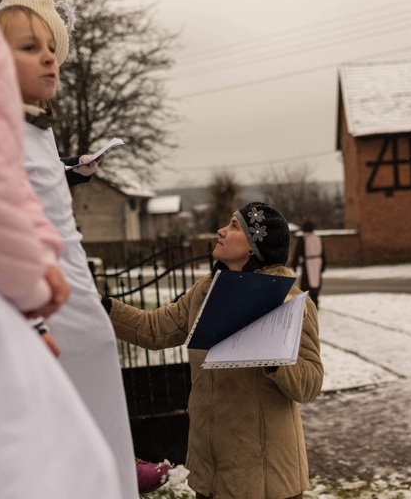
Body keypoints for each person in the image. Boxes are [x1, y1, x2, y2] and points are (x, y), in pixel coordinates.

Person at [0, 0, 125, 499]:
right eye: (29, 47)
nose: (50, 59)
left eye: (52, 49)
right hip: (45, 307)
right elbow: (3, 213)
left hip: (72, 297)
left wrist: (72, 171)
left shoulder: (35, 126)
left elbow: (36, 197)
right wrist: (35, 315)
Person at [100, 201, 324, 499]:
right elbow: (153, 329)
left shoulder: (288, 302)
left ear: (254, 247)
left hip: (264, 482)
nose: (221, 230)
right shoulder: (203, 292)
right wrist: (100, 305)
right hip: (210, 477)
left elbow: (310, 384)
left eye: (234, 227)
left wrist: (274, 358)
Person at [292, 220, 326, 307]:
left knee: (306, 285)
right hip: (317, 262)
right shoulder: (317, 238)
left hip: (307, 263)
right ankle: (315, 301)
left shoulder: (303, 239)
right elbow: (323, 253)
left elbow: (297, 252)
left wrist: (294, 263)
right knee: (315, 284)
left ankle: (308, 303)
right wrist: (324, 264)